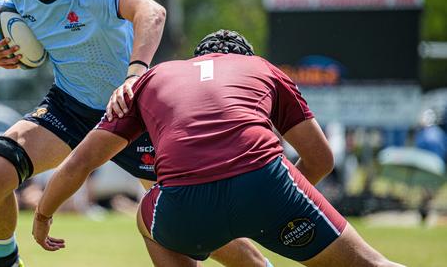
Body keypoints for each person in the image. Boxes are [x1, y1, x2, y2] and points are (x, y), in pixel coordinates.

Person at [0, 0, 270, 267]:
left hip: (134, 113)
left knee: (194, 222)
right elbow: (5, 15)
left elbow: (152, 12)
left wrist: (134, 75)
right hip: (70, 107)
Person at [32, 30, 405, 267]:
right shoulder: (261, 67)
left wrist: (43, 215)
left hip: (183, 205)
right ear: (243, 57)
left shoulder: (152, 78)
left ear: (197, 58)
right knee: (371, 263)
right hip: (267, 184)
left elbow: (80, 161)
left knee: (147, 222)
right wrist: (272, 207)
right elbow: (321, 158)